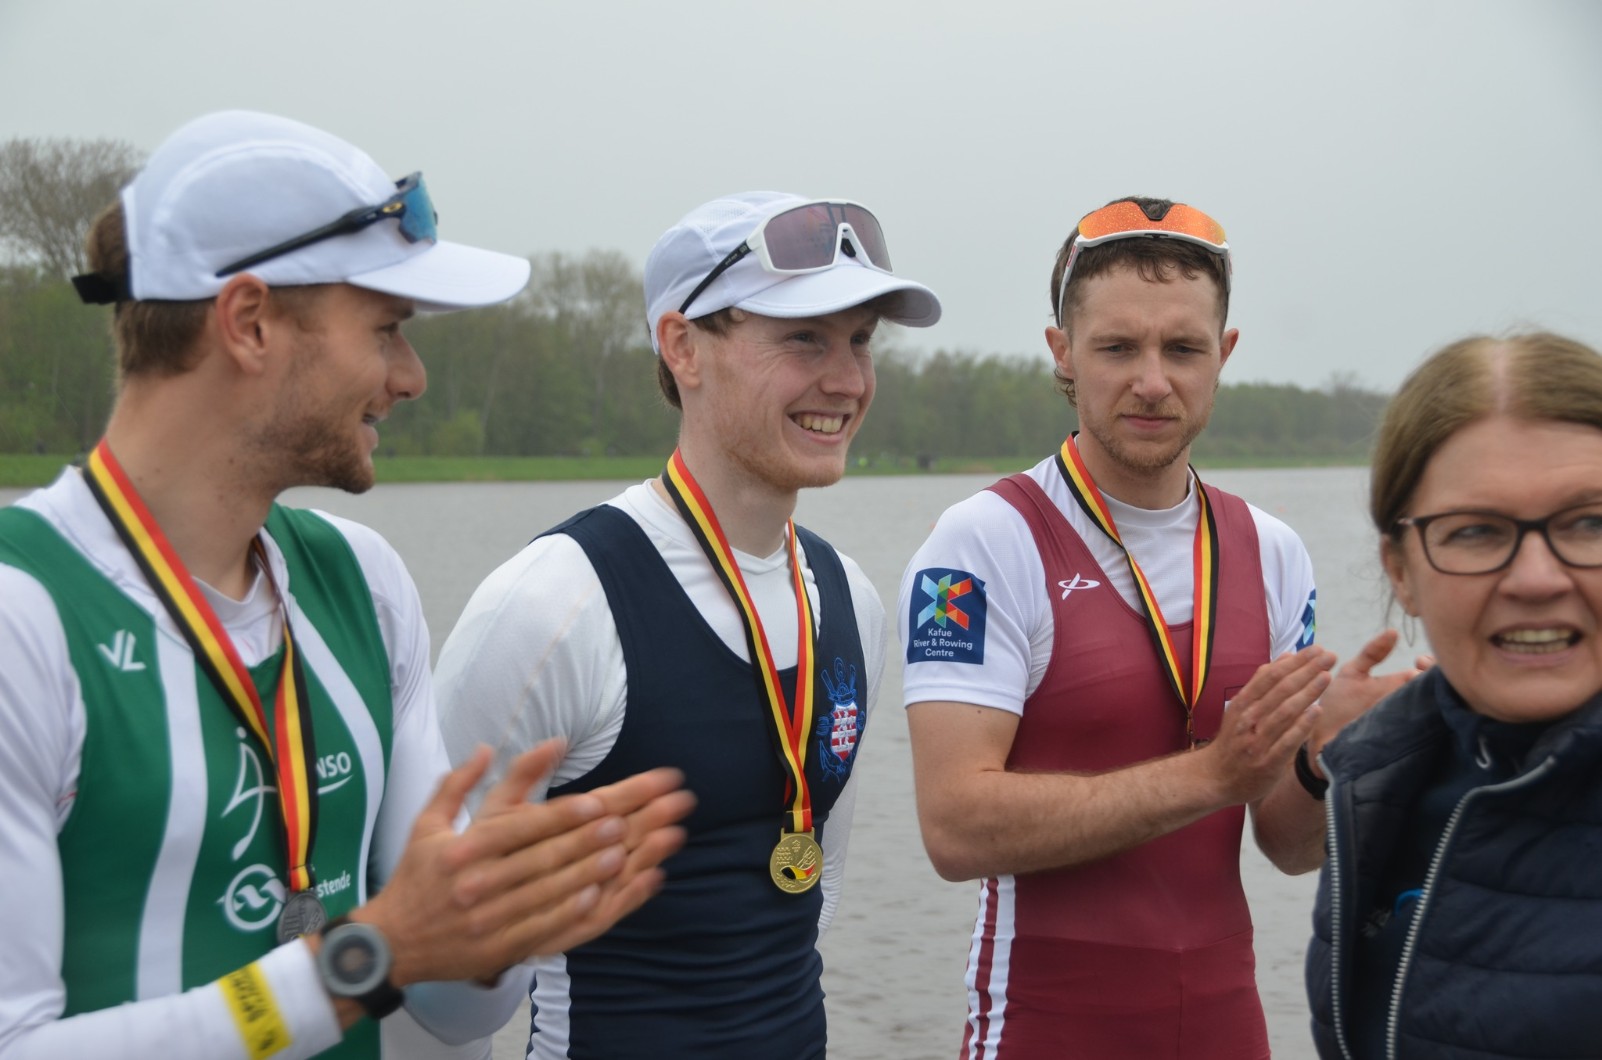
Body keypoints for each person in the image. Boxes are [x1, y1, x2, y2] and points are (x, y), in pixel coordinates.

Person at [0, 110, 695, 1060]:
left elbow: (454, 1013)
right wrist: (361, 960)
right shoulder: (22, 612)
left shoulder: (362, 583)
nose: (411, 377)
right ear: (249, 323)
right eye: (387, 328)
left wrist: (499, 914)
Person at [435, 191, 941, 1058]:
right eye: (804, 338)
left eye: (860, 340)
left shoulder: (850, 597)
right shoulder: (554, 604)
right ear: (682, 346)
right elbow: (438, 970)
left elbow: (816, 893)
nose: (848, 379)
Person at [898, 195, 1388, 1059]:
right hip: (1043, 1028)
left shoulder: (1273, 552)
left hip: (1229, 1025)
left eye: (1183, 349)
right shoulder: (983, 543)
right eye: (1118, 347)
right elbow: (956, 828)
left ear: (1223, 355)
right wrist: (1210, 775)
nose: (1153, 381)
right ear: (1062, 352)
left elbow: (1287, 846)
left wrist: (1324, 764)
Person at [1306, 332, 1602, 1059]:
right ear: (1400, 571)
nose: (1537, 579)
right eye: (1475, 531)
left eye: (1590, 522)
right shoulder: (1378, 785)